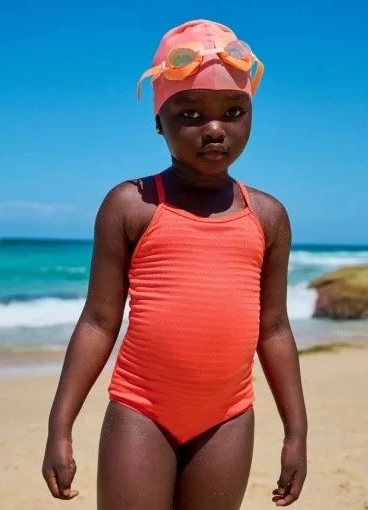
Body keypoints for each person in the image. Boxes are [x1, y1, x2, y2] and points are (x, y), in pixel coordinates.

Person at [42, 19, 307, 509]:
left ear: (251, 115)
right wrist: (61, 425)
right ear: (158, 121)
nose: (213, 128)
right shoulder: (132, 205)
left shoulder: (267, 216)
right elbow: (99, 322)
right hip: (142, 410)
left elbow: (273, 330)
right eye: (189, 113)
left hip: (228, 418)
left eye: (233, 111)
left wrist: (297, 432)